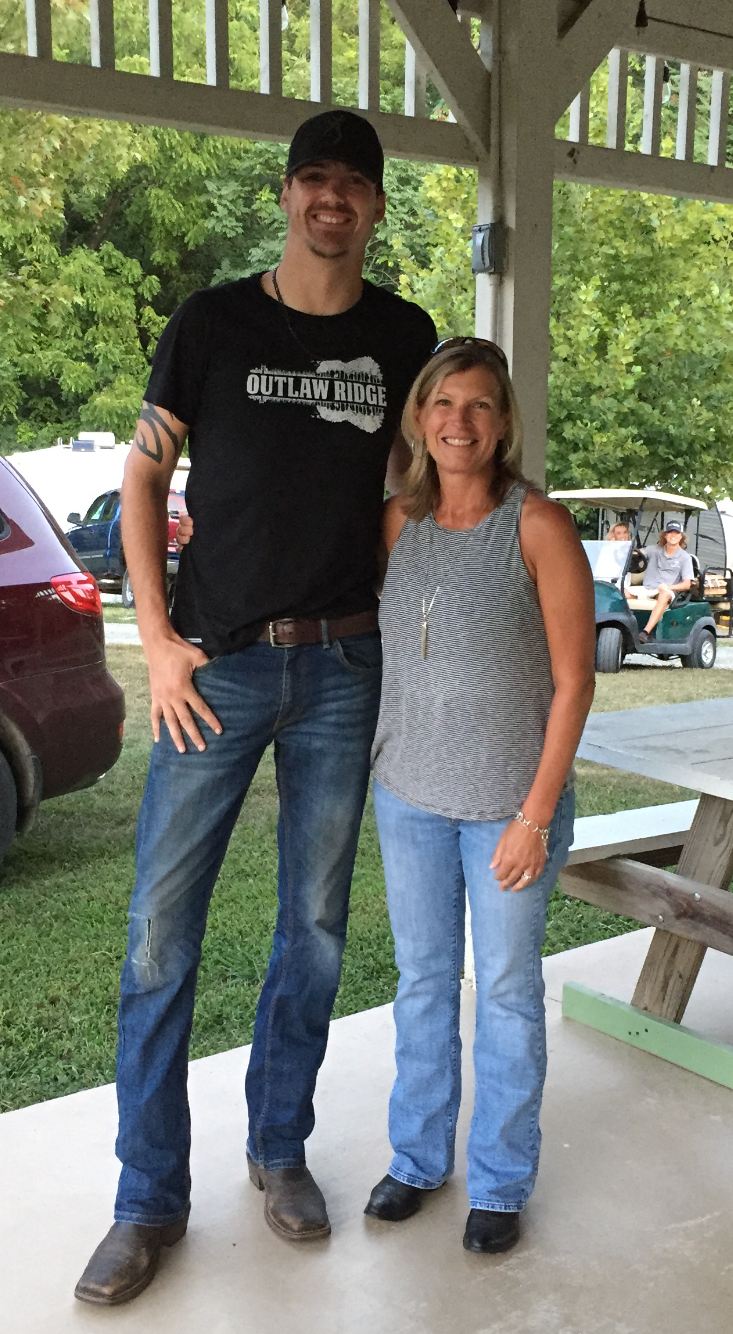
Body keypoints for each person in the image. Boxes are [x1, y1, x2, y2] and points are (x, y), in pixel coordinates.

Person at [75, 109, 436, 1307]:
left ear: (378, 207)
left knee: (318, 929)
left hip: (342, 668)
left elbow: (423, 485)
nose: (333, 199)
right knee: (158, 938)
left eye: (355, 185)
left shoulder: (404, 337)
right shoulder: (213, 321)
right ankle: (146, 1198)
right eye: (314, 180)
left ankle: (278, 1148)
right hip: (212, 675)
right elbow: (142, 472)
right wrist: (159, 643)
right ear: (287, 195)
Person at [362, 338, 595, 1254]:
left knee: (502, 992)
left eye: (480, 406)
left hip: (508, 805)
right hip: (409, 795)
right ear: (420, 418)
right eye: (443, 403)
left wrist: (537, 816)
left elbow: (575, 682)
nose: (459, 421)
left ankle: (500, 1181)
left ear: (504, 424)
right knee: (421, 982)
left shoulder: (538, 526)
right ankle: (418, 1159)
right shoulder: (395, 524)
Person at [624, 521, 694, 642]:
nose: (673, 535)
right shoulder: (654, 550)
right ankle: (621, 629)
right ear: (665, 535)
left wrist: (668, 587)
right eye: (670, 532)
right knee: (620, 593)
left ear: (681, 536)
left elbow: (687, 584)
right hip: (648, 588)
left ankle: (645, 632)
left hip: (668, 590)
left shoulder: (685, 557)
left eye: (676, 533)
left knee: (664, 594)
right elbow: (638, 553)